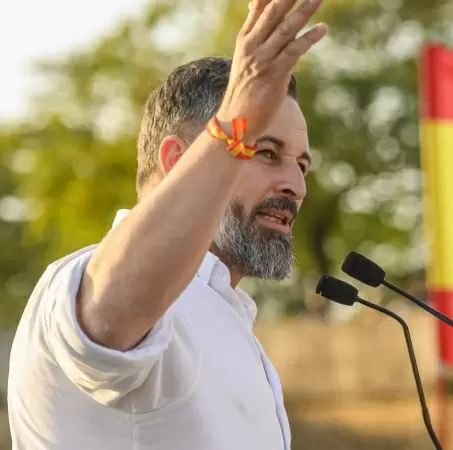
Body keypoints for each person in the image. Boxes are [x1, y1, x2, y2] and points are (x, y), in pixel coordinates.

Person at [6, 0, 327, 448]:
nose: (296, 186)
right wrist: (236, 124)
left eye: (302, 166)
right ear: (177, 162)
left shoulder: (229, 319)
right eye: (265, 151)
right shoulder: (79, 285)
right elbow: (112, 314)